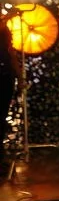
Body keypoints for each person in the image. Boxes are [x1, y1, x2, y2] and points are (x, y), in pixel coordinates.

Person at [0, 12, 24, 167]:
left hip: (5, 74)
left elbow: (11, 52)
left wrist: (19, 76)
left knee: (2, 115)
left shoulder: (4, 30)